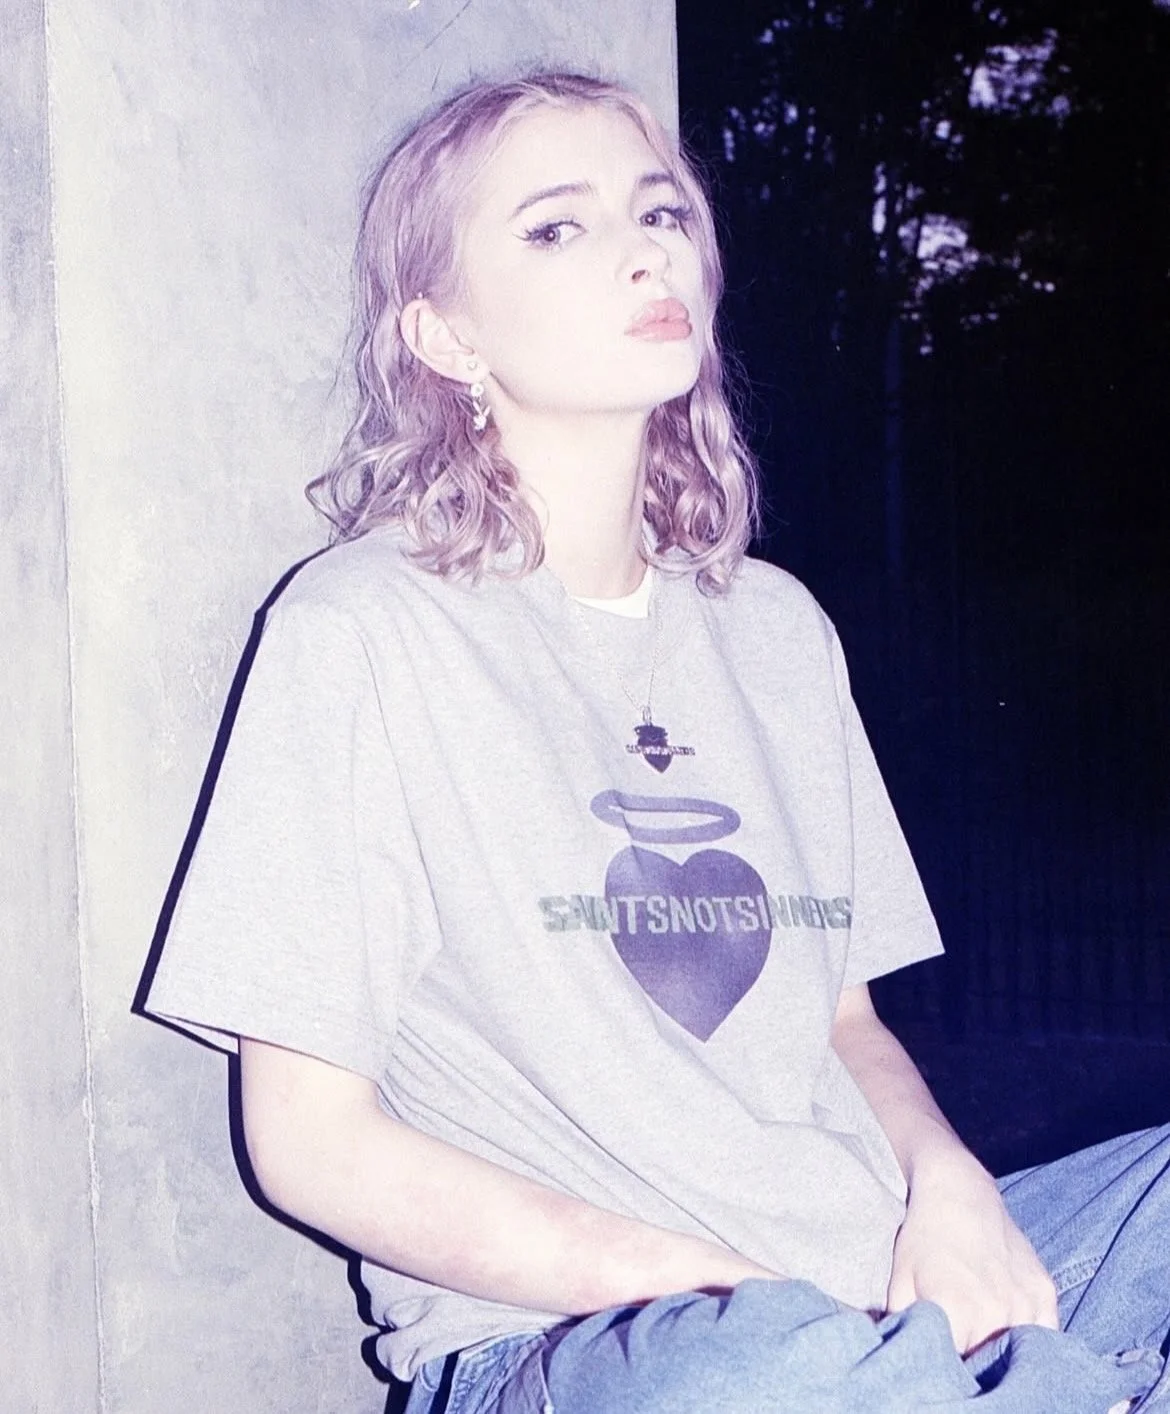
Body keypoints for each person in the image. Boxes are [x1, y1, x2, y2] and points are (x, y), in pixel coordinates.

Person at [144, 72, 1170, 1413]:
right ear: (444, 334)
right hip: (595, 1342)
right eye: (556, 227)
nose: (643, 251)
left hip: (873, 1288)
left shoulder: (774, 627)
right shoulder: (361, 630)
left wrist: (950, 1184)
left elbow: (842, 1018)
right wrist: (716, 1289)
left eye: (660, 211)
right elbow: (309, 1143)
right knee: (757, 1377)